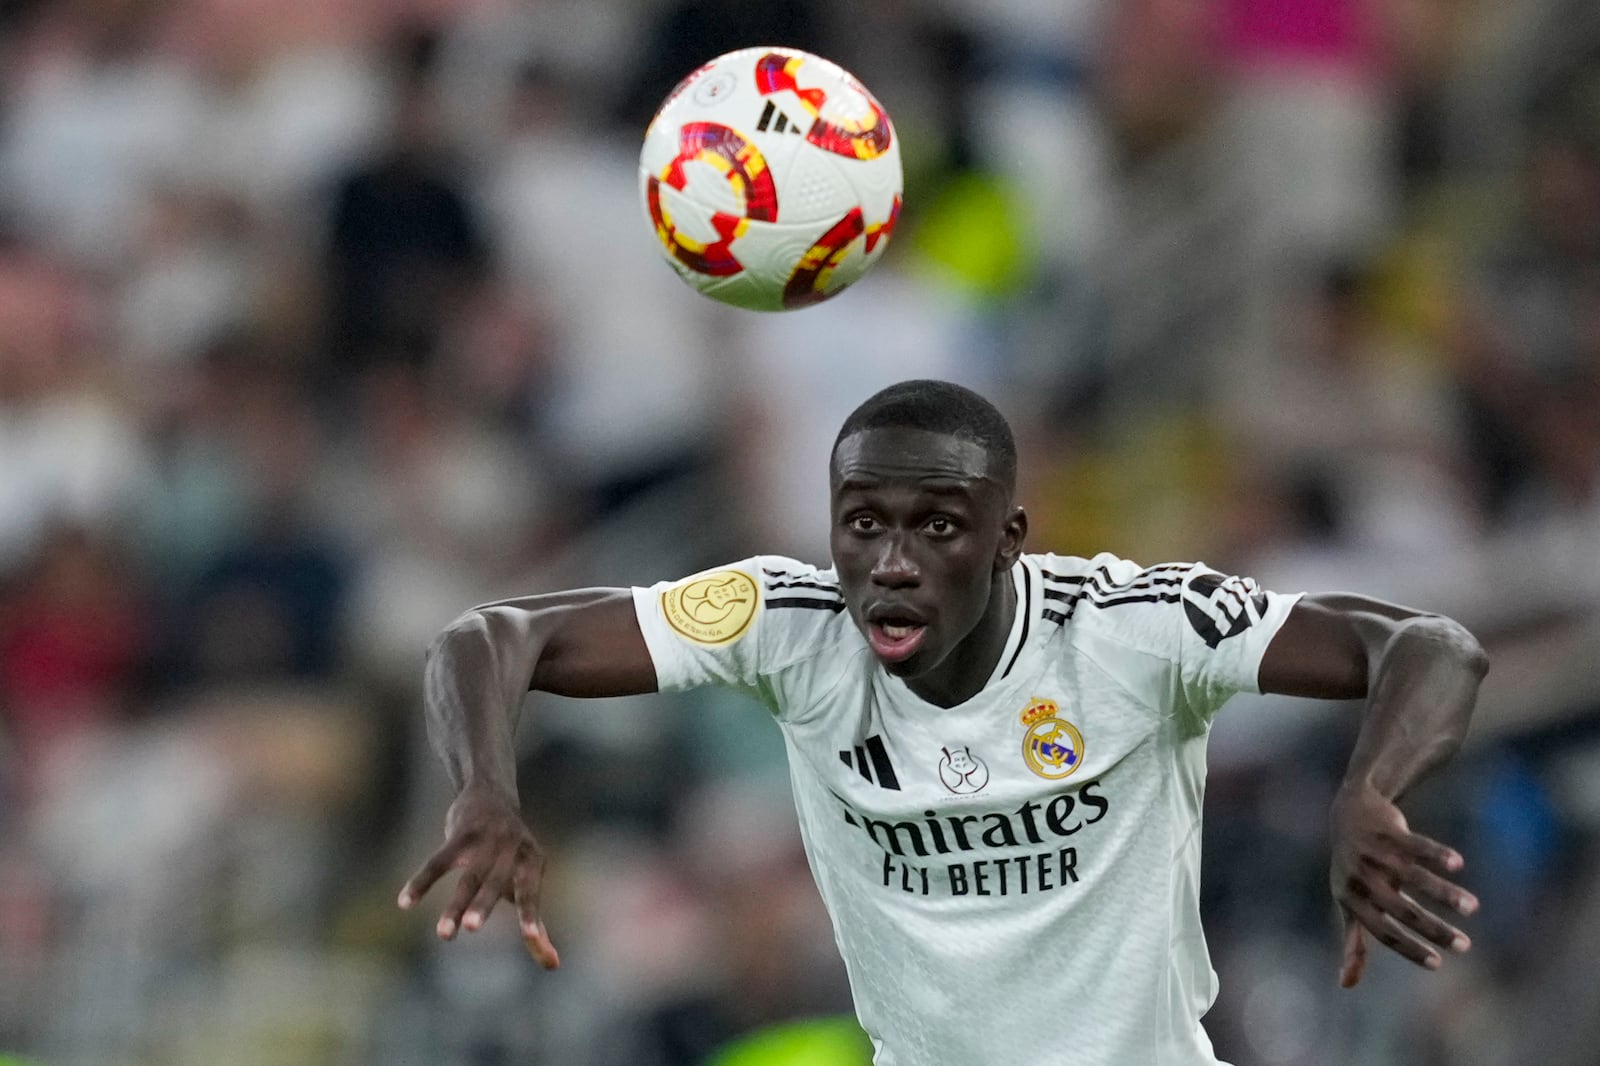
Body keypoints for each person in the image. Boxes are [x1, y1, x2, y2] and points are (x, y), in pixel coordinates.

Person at [398, 379, 1488, 1064]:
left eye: (936, 527)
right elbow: (491, 637)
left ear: (1010, 535)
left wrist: (1368, 789)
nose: (891, 563)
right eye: (861, 524)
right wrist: (486, 785)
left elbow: (1426, 645)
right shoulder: (789, 619)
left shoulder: (1130, 626)